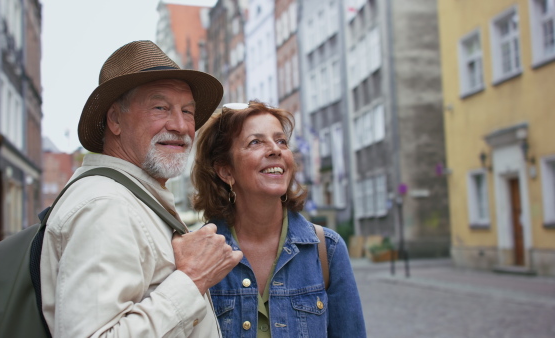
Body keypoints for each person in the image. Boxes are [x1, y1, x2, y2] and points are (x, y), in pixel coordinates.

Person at [40, 40, 243, 337]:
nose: (180, 125)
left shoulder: (128, 197)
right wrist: (192, 279)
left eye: (188, 111)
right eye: (160, 107)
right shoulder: (104, 205)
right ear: (114, 119)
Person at [191, 101, 367, 337]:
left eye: (281, 141)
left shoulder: (328, 250)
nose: (276, 150)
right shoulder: (200, 255)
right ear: (226, 171)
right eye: (256, 142)